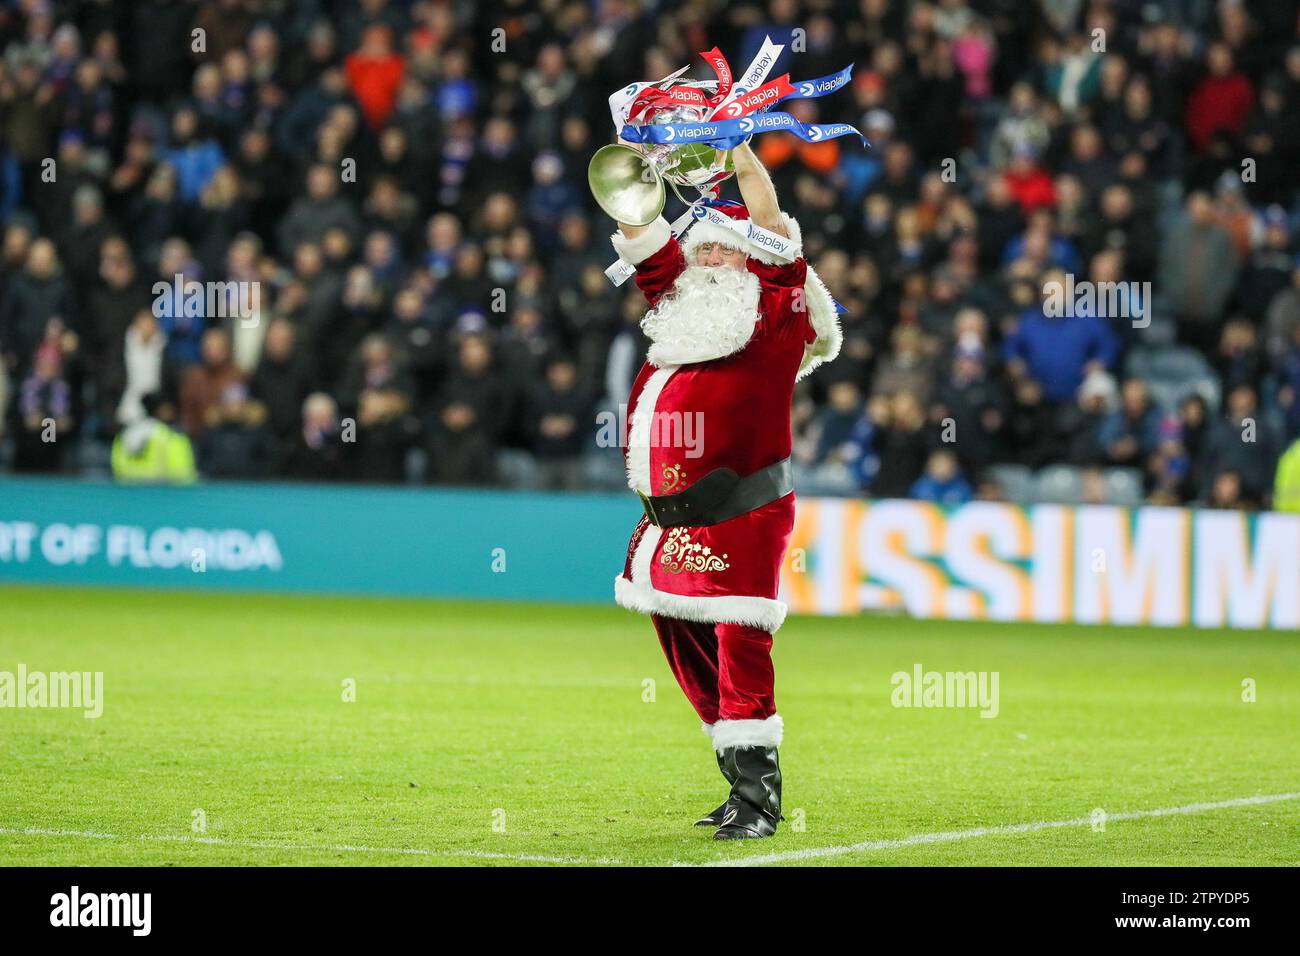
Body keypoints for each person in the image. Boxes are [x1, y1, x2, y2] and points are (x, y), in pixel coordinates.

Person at [608, 141, 840, 839]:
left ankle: (760, 801)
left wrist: (739, 149)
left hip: (742, 510)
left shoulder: (775, 321)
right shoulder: (679, 310)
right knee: (682, 644)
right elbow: (642, 239)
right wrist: (636, 176)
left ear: (751, 261)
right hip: (669, 520)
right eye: (703, 251)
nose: (710, 261)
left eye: (726, 252)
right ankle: (734, 777)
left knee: (742, 648)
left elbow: (771, 230)